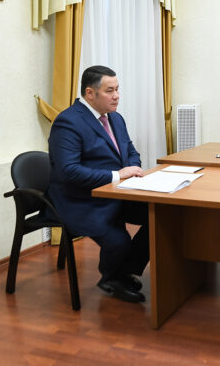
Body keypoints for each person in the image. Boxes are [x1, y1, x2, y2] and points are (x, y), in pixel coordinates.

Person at [47, 65, 149, 303]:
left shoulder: (115, 118)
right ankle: (111, 278)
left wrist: (131, 171)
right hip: (80, 199)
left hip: (114, 193)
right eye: (110, 91)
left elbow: (130, 152)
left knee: (159, 214)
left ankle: (122, 271)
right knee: (119, 240)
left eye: (117, 89)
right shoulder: (68, 122)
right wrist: (117, 175)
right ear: (90, 93)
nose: (117, 96)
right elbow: (68, 171)